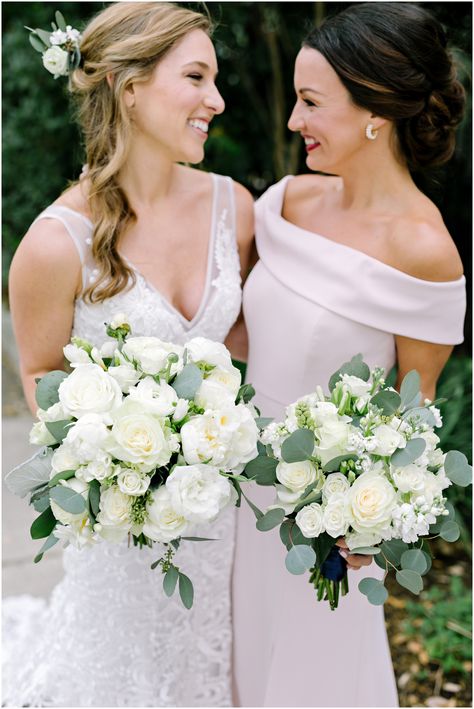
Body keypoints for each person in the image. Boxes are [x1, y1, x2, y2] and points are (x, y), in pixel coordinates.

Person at [4, 3, 253, 706]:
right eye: (198, 77)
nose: (218, 100)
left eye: (217, 78)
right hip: (124, 533)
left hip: (221, 520)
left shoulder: (236, 211)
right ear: (129, 87)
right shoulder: (54, 248)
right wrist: (127, 465)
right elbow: (44, 394)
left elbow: (242, 364)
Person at [233, 3, 466, 706]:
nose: (293, 121)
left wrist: (369, 519)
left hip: (317, 528)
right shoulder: (287, 203)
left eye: (311, 102)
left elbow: (413, 417)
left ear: (376, 112)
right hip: (231, 495)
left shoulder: (426, 252)